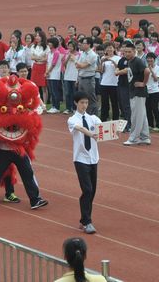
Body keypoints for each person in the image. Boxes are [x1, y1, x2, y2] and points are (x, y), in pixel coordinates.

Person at [68, 91, 101, 234]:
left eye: (86, 103)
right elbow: (80, 128)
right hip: (80, 159)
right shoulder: (72, 119)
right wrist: (90, 134)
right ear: (76, 103)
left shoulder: (92, 118)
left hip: (93, 158)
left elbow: (103, 127)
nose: (84, 105)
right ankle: (87, 221)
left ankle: (84, 219)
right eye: (82, 103)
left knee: (92, 191)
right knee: (87, 189)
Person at [123, 42, 150, 146]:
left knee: (136, 116)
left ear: (134, 52)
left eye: (129, 52)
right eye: (125, 52)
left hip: (138, 92)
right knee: (142, 115)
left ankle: (133, 138)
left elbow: (147, 71)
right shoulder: (130, 61)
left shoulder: (137, 61)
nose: (127, 53)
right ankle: (145, 137)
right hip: (134, 91)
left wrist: (143, 83)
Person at [76, 38, 99, 115]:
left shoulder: (92, 55)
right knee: (82, 97)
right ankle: (84, 113)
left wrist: (75, 61)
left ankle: (93, 115)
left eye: (84, 43)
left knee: (90, 98)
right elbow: (78, 66)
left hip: (88, 79)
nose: (82, 45)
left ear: (89, 45)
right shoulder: (83, 53)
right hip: (82, 78)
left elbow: (83, 65)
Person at [99, 43, 120, 121]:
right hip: (104, 83)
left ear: (114, 49)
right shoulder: (103, 58)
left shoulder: (117, 58)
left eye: (111, 48)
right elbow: (101, 71)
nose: (109, 50)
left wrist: (111, 60)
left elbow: (118, 68)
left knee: (114, 102)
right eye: (107, 48)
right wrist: (102, 62)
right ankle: (104, 118)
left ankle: (115, 119)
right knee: (104, 102)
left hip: (114, 83)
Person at [45, 37, 64, 113]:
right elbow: (47, 63)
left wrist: (48, 72)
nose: (48, 44)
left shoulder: (56, 52)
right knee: (51, 91)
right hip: (50, 74)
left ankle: (57, 107)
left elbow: (53, 64)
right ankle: (53, 106)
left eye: (50, 42)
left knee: (55, 91)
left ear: (54, 44)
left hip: (55, 74)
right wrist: (46, 71)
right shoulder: (49, 52)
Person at [145, 53, 159, 130]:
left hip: (155, 91)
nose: (149, 60)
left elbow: (156, 79)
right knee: (148, 108)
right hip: (147, 90)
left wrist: (151, 70)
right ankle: (150, 124)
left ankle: (158, 125)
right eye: (148, 58)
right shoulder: (145, 68)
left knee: (154, 108)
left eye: (151, 58)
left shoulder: (158, 68)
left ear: (154, 59)